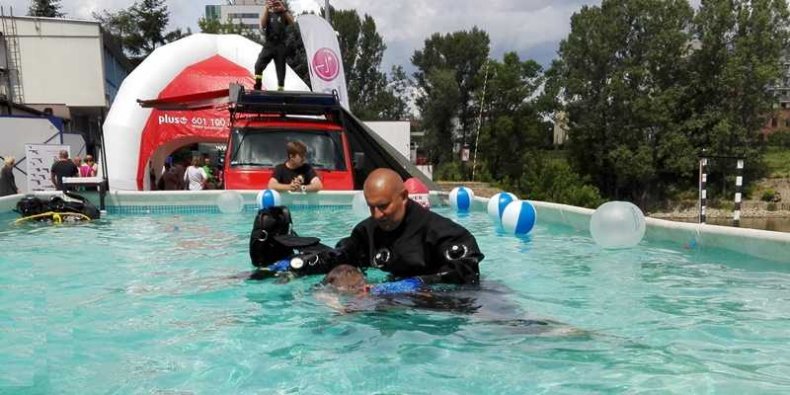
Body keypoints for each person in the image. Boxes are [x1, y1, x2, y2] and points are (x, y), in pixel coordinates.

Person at [270, 168, 483, 290]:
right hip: (383, 302)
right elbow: (341, 257)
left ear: (403, 197)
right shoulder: (367, 232)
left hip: (436, 309)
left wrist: (415, 285)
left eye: (383, 206)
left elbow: (466, 273)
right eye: (371, 207)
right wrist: (297, 265)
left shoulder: (445, 233)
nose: (377, 215)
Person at [253, 0, 294, 91]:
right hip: (269, 44)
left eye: (276, 3)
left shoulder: (283, 14)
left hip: (280, 44)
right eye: (273, 3)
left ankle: (280, 89)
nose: (275, 5)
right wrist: (266, 9)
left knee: (281, 70)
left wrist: (284, 9)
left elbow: (292, 22)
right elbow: (263, 24)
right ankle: (258, 85)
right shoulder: (268, 13)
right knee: (258, 65)